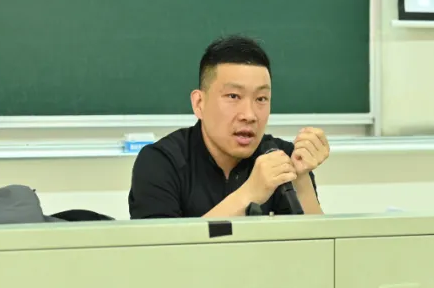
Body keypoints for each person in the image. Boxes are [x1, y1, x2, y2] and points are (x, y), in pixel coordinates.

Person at [128, 35, 330, 219]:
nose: (249, 115)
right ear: (199, 103)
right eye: (233, 96)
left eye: (261, 98)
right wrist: (249, 194)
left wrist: (301, 180)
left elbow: (318, 243)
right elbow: (162, 246)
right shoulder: (160, 163)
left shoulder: (281, 157)